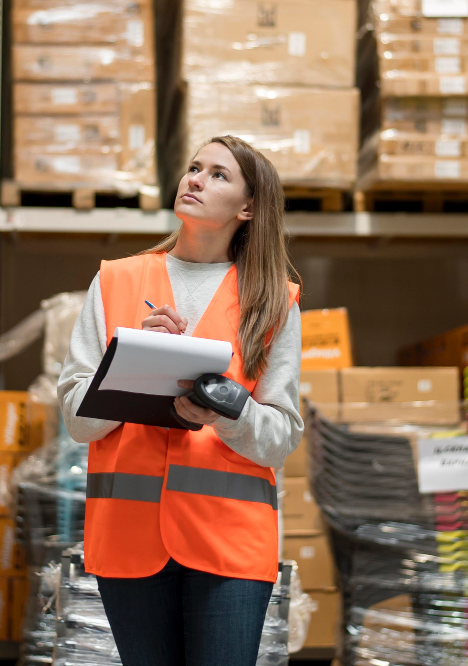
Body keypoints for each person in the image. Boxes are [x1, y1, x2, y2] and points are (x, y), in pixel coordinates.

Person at [58, 135, 303, 666]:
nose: (195, 179)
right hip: (129, 537)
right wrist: (129, 367)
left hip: (230, 543)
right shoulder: (116, 280)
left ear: (249, 206)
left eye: (218, 174)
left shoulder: (273, 300)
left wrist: (230, 411)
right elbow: (78, 420)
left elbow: (282, 436)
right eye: (194, 167)